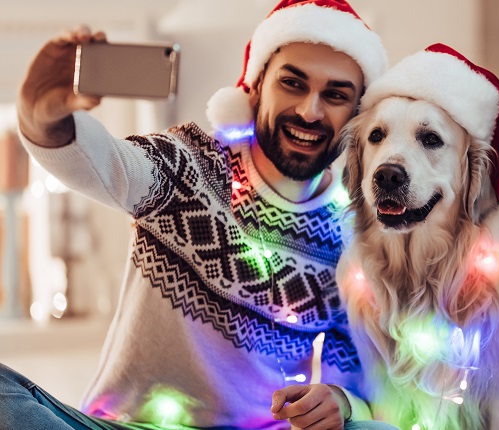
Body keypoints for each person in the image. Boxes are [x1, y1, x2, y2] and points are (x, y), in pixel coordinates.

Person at [7, 0, 398, 428]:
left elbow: (362, 390)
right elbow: (100, 163)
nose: (310, 111)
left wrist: (338, 402)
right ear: (255, 87)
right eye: (292, 84)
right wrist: (41, 110)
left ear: (358, 114)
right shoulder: (188, 165)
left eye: (336, 95)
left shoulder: (354, 236)